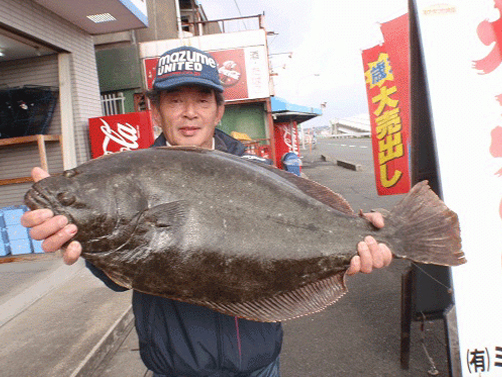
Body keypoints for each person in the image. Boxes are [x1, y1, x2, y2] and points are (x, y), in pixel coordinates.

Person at [21, 46, 392, 377]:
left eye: (201, 100)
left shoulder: (254, 167)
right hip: (174, 365)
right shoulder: (127, 170)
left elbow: (315, 221)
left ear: (219, 111)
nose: (188, 114)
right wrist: (75, 235)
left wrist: (362, 233)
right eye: (174, 100)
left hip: (256, 364)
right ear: (155, 111)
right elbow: (119, 274)